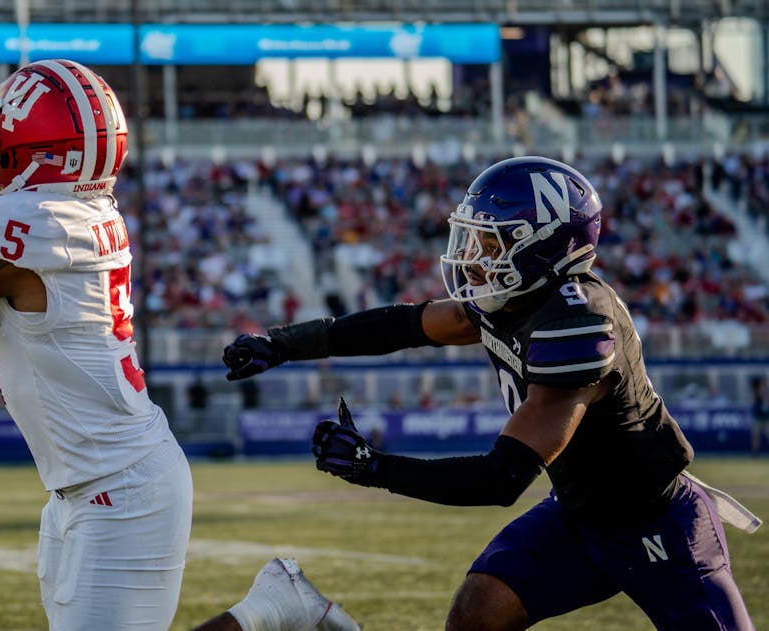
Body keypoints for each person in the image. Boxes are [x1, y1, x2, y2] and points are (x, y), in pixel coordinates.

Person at [0, 59, 358, 631]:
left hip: (121, 487)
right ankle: (273, 607)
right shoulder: (71, 211)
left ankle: (275, 610)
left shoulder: (34, 221)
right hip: (89, 487)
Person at [223, 156, 761, 630]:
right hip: (579, 513)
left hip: (657, 522)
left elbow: (501, 477)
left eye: (491, 240)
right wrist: (282, 343)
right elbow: (402, 326)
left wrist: (375, 467)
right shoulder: (508, 301)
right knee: (480, 610)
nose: (474, 254)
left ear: (541, 244)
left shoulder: (577, 322)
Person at [750, 376, 769, 457]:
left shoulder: (767, 393)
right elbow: (753, 402)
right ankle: (755, 453)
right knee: (755, 436)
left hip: (766, 418)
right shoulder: (755, 393)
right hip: (758, 418)